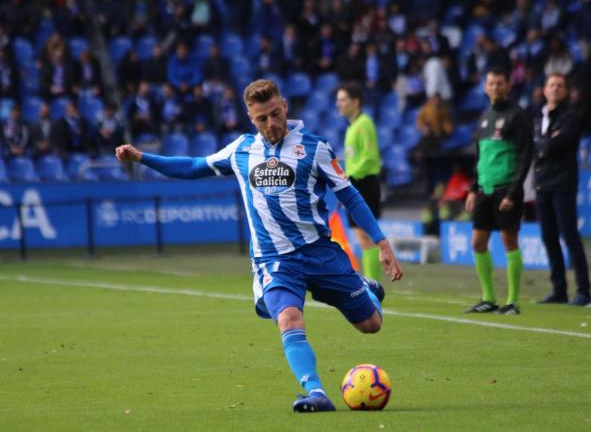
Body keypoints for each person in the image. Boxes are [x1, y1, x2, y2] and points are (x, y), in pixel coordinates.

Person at [116, 79, 403, 413]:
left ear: (284, 106)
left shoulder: (315, 148)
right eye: (262, 119)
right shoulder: (241, 150)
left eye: (275, 114)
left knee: (371, 325)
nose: (271, 124)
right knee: (289, 318)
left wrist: (382, 242)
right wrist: (142, 157)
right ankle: (316, 392)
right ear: (250, 118)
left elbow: (349, 195)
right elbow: (194, 166)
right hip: (274, 260)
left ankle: (366, 289)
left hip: (319, 252)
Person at [465, 68, 533, 315]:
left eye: (500, 83)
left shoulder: (518, 117)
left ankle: (512, 301)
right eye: (491, 83)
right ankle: (489, 298)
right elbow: (480, 158)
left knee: (508, 241)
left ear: (508, 86)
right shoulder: (484, 118)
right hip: (484, 190)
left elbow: (525, 157)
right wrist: (473, 189)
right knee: (478, 242)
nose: (495, 87)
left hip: (506, 190)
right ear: (485, 87)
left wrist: (513, 193)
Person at [533, 73, 591, 307]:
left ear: (566, 91)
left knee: (570, 237)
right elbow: (537, 144)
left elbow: (553, 144)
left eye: (560, 85)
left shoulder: (570, 117)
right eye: (551, 85)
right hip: (542, 184)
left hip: (563, 184)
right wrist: (545, 144)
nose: (555, 89)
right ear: (544, 89)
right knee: (549, 238)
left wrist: (544, 144)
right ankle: (559, 290)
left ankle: (584, 292)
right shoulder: (539, 117)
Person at [336, 82, 384, 282]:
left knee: (366, 237)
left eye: (343, 100)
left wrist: (349, 174)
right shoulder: (352, 126)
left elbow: (370, 157)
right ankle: (372, 283)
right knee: (361, 238)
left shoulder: (364, 124)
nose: (339, 104)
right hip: (355, 183)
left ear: (356, 102)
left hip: (364, 183)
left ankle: (374, 285)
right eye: (338, 100)